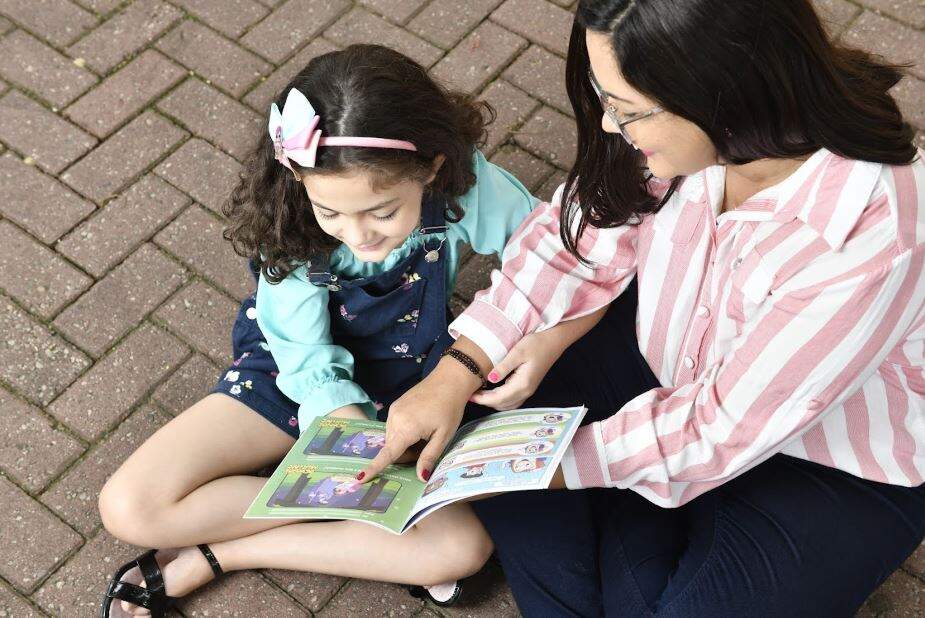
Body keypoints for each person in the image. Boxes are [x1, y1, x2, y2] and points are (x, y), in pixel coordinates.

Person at [360, 1, 925, 615]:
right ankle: (634, 509)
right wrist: (458, 369)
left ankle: (628, 517)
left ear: (719, 92)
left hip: (826, 460)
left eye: (626, 110)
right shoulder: (683, 140)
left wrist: (523, 468)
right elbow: (574, 242)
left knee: (618, 577)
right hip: (666, 372)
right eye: (606, 99)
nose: (608, 125)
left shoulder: (873, 230)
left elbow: (718, 427)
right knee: (465, 401)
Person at [97, 43, 546, 617]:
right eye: (329, 213)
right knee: (130, 507)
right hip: (293, 372)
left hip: (417, 387)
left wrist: (530, 338)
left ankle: (221, 554)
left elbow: (546, 253)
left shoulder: (465, 186)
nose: (359, 236)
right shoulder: (289, 217)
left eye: (383, 212)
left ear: (432, 168)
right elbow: (303, 354)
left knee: (461, 550)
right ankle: (353, 526)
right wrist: (347, 444)